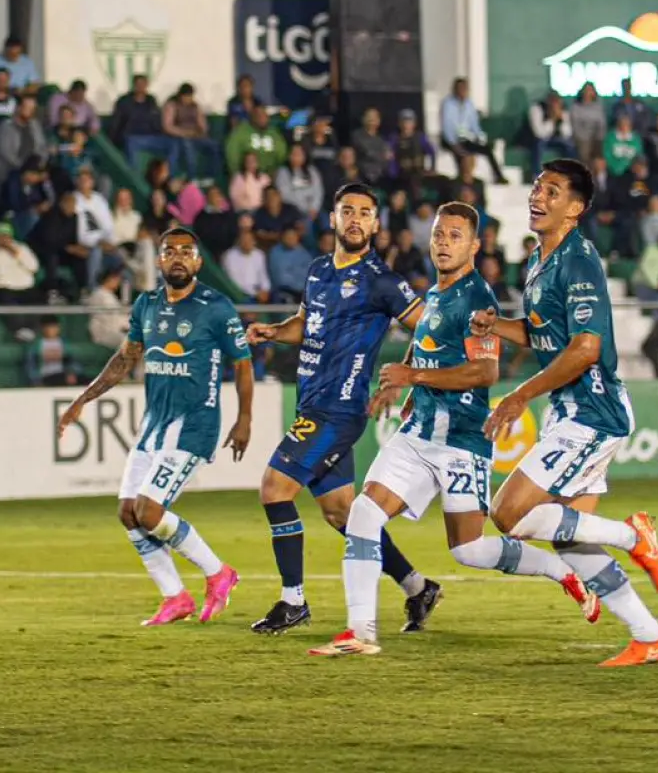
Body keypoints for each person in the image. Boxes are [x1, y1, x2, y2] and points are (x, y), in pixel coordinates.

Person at [309, 202, 598, 657]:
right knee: (363, 513)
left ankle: (559, 570)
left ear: (474, 246)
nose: (445, 243)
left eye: (455, 236)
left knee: (469, 550)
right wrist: (403, 382)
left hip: (461, 441)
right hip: (418, 433)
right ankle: (359, 632)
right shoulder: (436, 295)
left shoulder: (475, 298)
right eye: (440, 235)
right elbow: (426, 347)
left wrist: (415, 378)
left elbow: (484, 372)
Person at [467, 159, 658, 667]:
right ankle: (651, 636)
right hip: (572, 412)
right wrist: (498, 326)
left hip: (593, 411)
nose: (539, 196)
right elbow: (546, 335)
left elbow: (585, 348)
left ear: (576, 210)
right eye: (538, 187)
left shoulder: (579, 261)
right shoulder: (540, 261)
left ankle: (634, 535)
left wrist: (519, 396)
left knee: (508, 514)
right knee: (568, 538)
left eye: (554, 191)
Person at [245, 183, 437, 635]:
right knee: (341, 513)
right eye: (346, 211)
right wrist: (275, 332)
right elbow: (306, 325)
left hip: (338, 410)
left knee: (275, 489)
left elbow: (430, 328)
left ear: (376, 224)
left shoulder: (381, 281)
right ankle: (417, 586)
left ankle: (293, 601)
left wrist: (406, 375)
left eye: (365, 212)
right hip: (311, 403)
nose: (355, 219)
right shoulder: (317, 271)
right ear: (331, 218)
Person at [58, 228, 252, 626]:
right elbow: (125, 358)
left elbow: (243, 363)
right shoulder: (146, 305)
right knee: (128, 513)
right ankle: (174, 597)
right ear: (159, 261)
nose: (178, 257)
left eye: (187, 252)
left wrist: (244, 418)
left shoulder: (215, 307)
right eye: (169, 252)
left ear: (198, 262)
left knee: (149, 511)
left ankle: (219, 573)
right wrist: (83, 398)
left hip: (195, 424)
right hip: (155, 425)